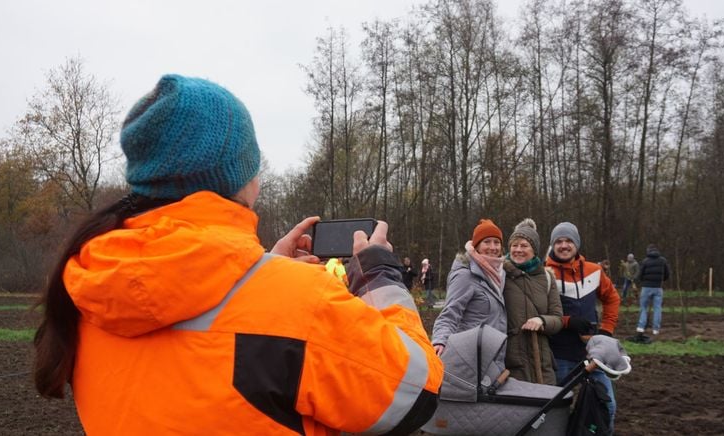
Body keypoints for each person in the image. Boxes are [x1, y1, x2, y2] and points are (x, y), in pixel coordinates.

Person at [32, 75, 443, 435]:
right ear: (241, 179)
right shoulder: (300, 302)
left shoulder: (88, 284)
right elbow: (414, 396)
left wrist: (259, 269)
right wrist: (379, 275)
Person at [545, 222, 621, 432]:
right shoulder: (544, 273)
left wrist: (606, 330)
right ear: (553, 245)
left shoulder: (594, 271)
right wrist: (568, 321)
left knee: (607, 405)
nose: (563, 245)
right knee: (556, 409)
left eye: (568, 241)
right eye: (558, 241)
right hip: (558, 354)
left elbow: (612, 298)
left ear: (576, 244)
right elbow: (539, 311)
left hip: (593, 353)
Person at [431, 219, 506, 358]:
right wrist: (440, 341)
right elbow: (449, 313)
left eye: (497, 242)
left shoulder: (500, 274)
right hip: (471, 358)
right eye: (487, 242)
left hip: (496, 357)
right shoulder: (465, 275)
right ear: (476, 245)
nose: (493, 247)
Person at [502, 218, 563, 385]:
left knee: (546, 408)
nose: (518, 250)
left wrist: (542, 320)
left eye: (524, 246)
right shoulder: (499, 275)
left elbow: (558, 318)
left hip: (542, 361)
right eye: (514, 245)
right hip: (511, 362)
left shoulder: (547, 278)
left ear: (534, 249)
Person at [635, 244, 671, 337]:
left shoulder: (645, 261)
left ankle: (641, 327)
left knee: (643, 307)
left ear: (648, 252)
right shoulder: (663, 261)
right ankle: (656, 329)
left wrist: (642, 281)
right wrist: (661, 280)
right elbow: (667, 274)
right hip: (658, 287)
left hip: (646, 287)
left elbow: (640, 275)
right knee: (657, 308)